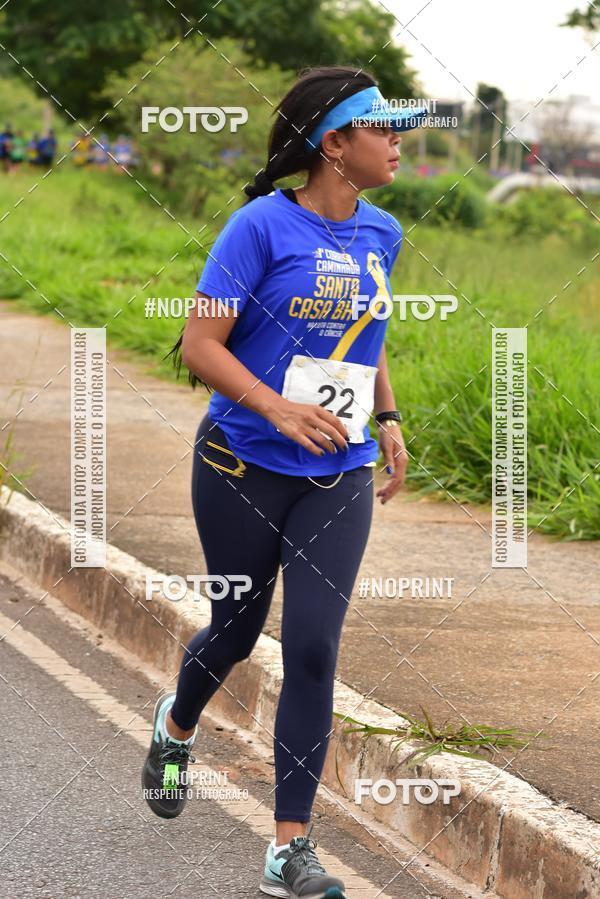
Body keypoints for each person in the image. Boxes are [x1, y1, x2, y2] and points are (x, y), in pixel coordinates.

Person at [142, 65, 426, 899]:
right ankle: (176, 721)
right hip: (240, 464)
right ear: (334, 145)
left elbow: (362, 338)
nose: (398, 142)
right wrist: (275, 410)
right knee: (235, 628)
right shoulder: (257, 228)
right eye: (382, 129)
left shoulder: (385, 232)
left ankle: (288, 850)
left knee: (310, 647)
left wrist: (389, 417)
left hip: (337, 473)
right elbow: (199, 345)